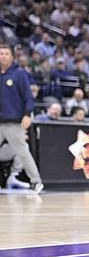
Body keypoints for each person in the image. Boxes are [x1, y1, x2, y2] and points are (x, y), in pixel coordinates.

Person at [0, 44, 43, 193]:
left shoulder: (19, 75)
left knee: (23, 153)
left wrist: (27, 114)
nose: (3, 56)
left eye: (6, 53)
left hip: (13, 123)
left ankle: (36, 181)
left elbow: (28, 98)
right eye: (1, 53)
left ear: (11, 57)